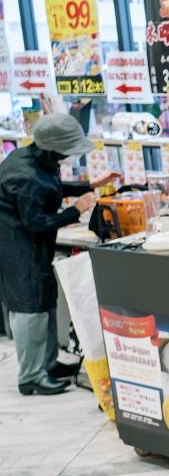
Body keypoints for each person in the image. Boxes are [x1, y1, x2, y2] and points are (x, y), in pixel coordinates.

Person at [0, 115, 114, 396]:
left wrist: (89, 185)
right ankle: (31, 376)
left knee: (44, 303)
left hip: (32, 247)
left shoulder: (33, 159)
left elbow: (51, 187)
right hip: (19, 249)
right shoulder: (26, 176)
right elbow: (37, 222)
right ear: (55, 148)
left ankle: (48, 364)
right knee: (30, 310)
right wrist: (75, 210)